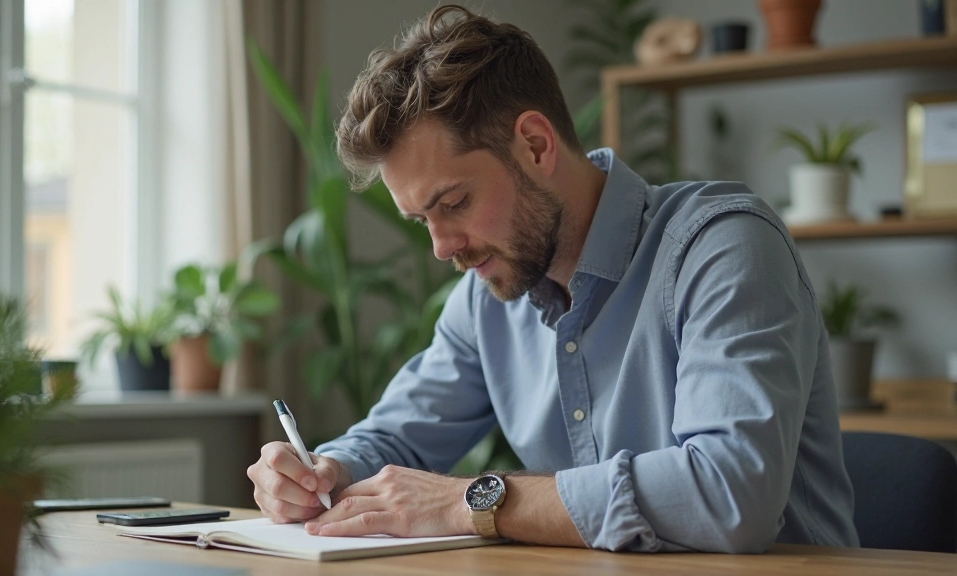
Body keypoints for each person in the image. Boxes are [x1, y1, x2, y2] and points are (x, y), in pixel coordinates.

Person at [247, 4, 860, 553]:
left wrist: (476, 501)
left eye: (454, 202)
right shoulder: (483, 301)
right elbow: (395, 441)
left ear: (536, 145)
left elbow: (732, 495)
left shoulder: (721, 248)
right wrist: (321, 472)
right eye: (421, 220)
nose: (440, 247)